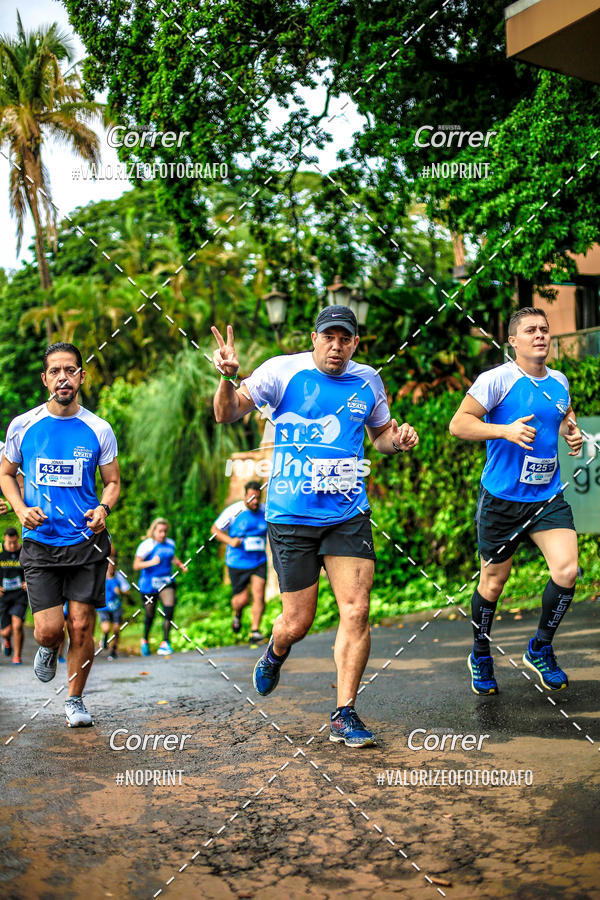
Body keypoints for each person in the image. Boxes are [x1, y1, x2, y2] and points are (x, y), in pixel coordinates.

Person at [212, 306, 419, 747]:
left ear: (355, 344)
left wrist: (396, 442)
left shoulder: (368, 381)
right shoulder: (280, 373)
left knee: (356, 610)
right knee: (297, 621)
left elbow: (380, 436)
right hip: (291, 516)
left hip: (347, 514)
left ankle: (345, 712)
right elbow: (226, 414)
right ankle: (276, 648)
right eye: (330, 337)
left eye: (346, 339)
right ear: (314, 338)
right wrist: (229, 378)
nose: (337, 346)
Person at [449, 307, 583, 695]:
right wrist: (503, 430)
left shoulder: (558, 380)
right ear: (513, 341)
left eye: (544, 329)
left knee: (568, 571)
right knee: (493, 583)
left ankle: (540, 647)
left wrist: (570, 432)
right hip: (502, 499)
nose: (540, 335)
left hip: (547, 496)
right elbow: (460, 423)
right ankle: (480, 652)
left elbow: (562, 414)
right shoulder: (497, 380)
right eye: (530, 330)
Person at [0, 342, 120, 727]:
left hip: (86, 542)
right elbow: (5, 474)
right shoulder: (23, 425)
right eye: (55, 371)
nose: (63, 377)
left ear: (81, 377)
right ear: (45, 379)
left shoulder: (99, 428)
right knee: (49, 630)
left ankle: (75, 699)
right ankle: (49, 648)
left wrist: (103, 508)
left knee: (82, 625)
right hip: (40, 544)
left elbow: (113, 482)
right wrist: (20, 509)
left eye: (70, 370)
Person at [211, 481, 268, 643]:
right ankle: (237, 614)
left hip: (258, 560)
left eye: (258, 497)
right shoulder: (234, 511)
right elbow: (214, 530)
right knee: (242, 599)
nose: (255, 501)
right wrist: (229, 540)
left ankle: (254, 631)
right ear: (245, 497)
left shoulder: (265, 511)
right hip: (237, 561)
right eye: (251, 498)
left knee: (259, 594)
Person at [133, 518, 188, 656]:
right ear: (154, 531)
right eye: (160, 531)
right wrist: (151, 562)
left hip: (166, 581)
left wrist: (180, 565)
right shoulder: (147, 545)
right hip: (148, 585)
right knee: (150, 614)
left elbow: (172, 557)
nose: (163, 534)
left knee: (169, 610)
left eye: (165, 531)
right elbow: (136, 565)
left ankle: (165, 642)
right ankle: (145, 640)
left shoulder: (170, 543)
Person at [0, 527, 28, 664]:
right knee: (5, 632)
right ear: (5, 539)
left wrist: (28, 582)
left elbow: (33, 568)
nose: (11, 546)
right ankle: (6, 640)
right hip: (3, 596)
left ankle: (17, 656)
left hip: (19, 595)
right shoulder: (0, 550)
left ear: (17, 538)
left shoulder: (24, 551)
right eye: (9, 543)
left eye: (14, 543)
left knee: (17, 625)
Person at [98, 559, 127, 659]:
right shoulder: (100, 576)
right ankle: (105, 638)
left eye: (113, 566)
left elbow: (126, 590)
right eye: (109, 565)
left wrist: (120, 592)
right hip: (103, 607)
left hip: (116, 607)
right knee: (106, 628)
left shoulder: (119, 576)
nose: (111, 568)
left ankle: (113, 650)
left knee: (116, 629)